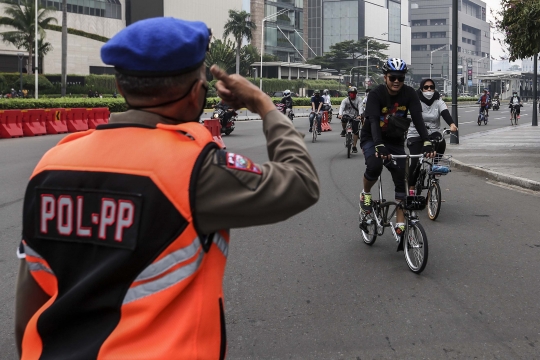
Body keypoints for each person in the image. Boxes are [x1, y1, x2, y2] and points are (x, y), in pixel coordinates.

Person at [15, 17, 319, 359]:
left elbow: (31, 296)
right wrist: (264, 104)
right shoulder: (198, 169)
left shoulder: (51, 165)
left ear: (119, 87)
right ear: (194, 93)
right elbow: (301, 181)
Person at [359, 58, 434, 246]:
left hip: (395, 140)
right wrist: (378, 145)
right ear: (385, 77)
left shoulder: (409, 94)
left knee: (402, 176)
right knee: (375, 165)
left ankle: (400, 226)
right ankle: (365, 193)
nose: (396, 81)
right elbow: (374, 122)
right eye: (392, 77)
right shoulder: (376, 94)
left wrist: (427, 140)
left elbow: (417, 118)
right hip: (372, 138)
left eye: (400, 78)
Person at [407, 78, 458, 194]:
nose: (429, 89)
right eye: (426, 87)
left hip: (433, 133)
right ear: (421, 89)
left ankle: (434, 166)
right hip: (416, 133)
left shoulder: (438, 101)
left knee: (441, 142)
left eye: (431, 87)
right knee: (415, 162)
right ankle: (411, 188)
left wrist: (452, 124)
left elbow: (445, 113)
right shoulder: (415, 100)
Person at [337, 87, 363, 153]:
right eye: (351, 93)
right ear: (349, 94)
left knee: (356, 131)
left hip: (355, 116)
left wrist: (360, 115)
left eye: (354, 93)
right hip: (346, 115)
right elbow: (341, 107)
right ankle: (343, 129)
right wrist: (340, 114)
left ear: (356, 94)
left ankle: (354, 146)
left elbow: (360, 107)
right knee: (343, 120)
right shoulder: (345, 100)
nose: (353, 94)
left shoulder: (359, 100)